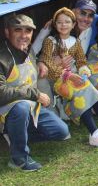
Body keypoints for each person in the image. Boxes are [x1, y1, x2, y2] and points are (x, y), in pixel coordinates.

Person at [40, 8, 98, 148]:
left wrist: (84, 71)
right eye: (59, 22)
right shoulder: (50, 41)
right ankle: (94, 133)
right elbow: (48, 63)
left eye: (67, 22)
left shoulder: (75, 41)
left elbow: (81, 60)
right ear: (55, 25)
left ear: (73, 24)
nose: (63, 25)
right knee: (79, 92)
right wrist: (69, 75)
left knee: (88, 87)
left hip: (72, 77)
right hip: (56, 80)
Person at [0, 14, 69, 171]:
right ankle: (19, 159)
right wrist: (34, 94)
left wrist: (41, 63)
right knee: (21, 107)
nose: (24, 36)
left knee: (61, 131)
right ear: (6, 32)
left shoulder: (28, 50)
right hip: (6, 111)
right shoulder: (2, 57)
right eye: (18, 30)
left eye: (28, 31)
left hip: (29, 109)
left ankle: (15, 135)